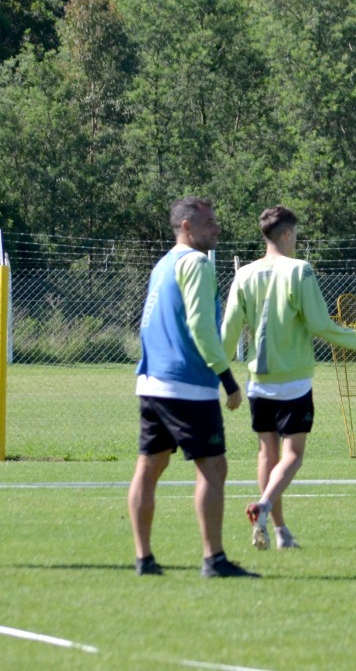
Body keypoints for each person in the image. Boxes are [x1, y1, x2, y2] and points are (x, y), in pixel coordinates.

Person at [222, 206, 356, 551]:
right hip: (293, 381)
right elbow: (319, 323)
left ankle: (279, 531)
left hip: (258, 381)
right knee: (293, 456)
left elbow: (229, 332)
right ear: (288, 234)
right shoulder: (300, 271)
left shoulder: (244, 274)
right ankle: (263, 506)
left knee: (267, 455)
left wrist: (222, 372)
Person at [128, 197, 258, 579]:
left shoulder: (163, 264)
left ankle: (143, 559)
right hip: (187, 384)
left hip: (152, 380)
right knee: (214, 468)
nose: (217, 228)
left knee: (148, 468)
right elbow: (202, 329)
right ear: (187, 227)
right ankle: (213, 559)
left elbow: (147, 324)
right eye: (209, 222)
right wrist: (227, 379)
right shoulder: (196, 263)